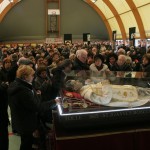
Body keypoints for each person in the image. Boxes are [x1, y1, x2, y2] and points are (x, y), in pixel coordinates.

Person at [8, 65, 57, 150]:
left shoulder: (18, 85)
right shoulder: (23, 91)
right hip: (25, 122)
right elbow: (37, 107)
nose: (33, 77)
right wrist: (54, 102)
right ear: (25, 77)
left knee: (27, 141)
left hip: (21, 120)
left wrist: (35, 95)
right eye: (32, 75)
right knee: (26, 143)